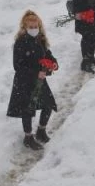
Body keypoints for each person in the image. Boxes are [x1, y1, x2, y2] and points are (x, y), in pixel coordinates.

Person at [6, 10, 59, 151]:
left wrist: (53, 63)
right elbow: (18, 66)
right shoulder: (20, 43)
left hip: (39, 80)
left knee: (48, 104)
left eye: (36, 27)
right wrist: (37, 73)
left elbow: (48, 54)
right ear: (25, 27)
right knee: (27, 109)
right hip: (24, 81)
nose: (34, 29)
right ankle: (28, 137)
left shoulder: (40, 40)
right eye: (31, 27)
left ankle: (41, 130)